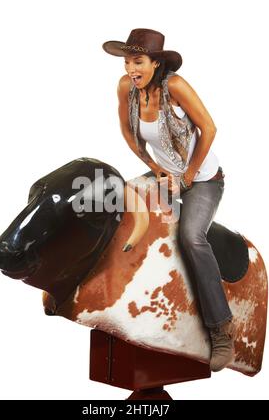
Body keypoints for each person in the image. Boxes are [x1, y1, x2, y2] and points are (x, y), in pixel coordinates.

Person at [102, 28, 235, 372]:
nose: (131, 68)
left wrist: (187, 177)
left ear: (155, 62)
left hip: (203, 179)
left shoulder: (175, 87)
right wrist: (154, 169)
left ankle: (221, 330)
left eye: (138, 61)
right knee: (117, 203)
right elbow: (131, 137)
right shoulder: (125, 88)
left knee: (191, 237)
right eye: (127, 61)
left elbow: (209, 128)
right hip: (166, 174)